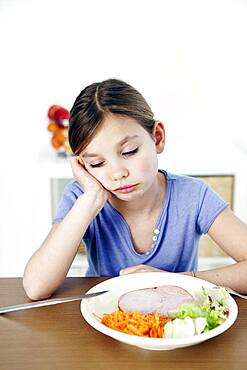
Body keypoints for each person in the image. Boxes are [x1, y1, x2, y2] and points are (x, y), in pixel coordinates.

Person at [23, 78, 247, 300]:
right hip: (104, 323)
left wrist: (176, 280)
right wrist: (90, 200)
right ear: (82, 165)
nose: (118, 173)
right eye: (97, 164)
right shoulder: (80, 198)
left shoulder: (193, 197)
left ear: (157, 137)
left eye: (129, 151)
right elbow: (36, 287)